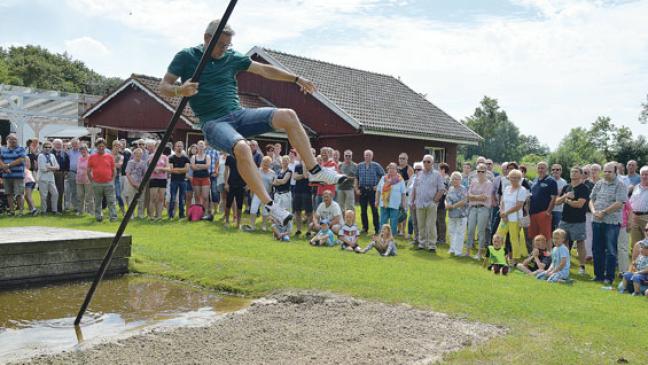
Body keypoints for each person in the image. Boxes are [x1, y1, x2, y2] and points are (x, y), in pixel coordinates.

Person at [160, 19, 346, 227]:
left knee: (289, 115)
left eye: (227, 45)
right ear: (207, 39)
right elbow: (164, 86)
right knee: (242, 148)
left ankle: (315, 170)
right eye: (221, 44)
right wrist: (179, 90)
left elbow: (264, 70)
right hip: (213, 123)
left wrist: (296, 79)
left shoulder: (232, 57)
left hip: (239, 115)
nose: (225, 49)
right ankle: (270, 205)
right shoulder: (187, 57)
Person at [589, 162, 627, 286]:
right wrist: (594, 212)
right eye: (605, 171)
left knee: (610, 251)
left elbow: (619, 203)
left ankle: (609, 277)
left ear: (615, 172)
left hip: (611, 222)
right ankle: (598, 275)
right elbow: (591, 199)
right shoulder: (599, 184)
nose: (606, 173)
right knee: (596, 249)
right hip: (596, 221)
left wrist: (604, 212)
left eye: (609, 171)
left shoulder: (620, 185)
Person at [556, 166, 590, 275]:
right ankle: (565, 264)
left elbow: (579, 204)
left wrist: (567, 201)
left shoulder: (584, 188)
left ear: (580, 175)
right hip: (565, 219)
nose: (573, 174)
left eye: (576, 172)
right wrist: (566, 196)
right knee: (564, 242)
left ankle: (582, 267)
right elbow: (557, 201)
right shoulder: (567, 187)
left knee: (580, 243)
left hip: (578, 221)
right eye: (572, 172)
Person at [411, 154, 445, 252]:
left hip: (431, 204)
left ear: (432, 163)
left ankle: (432, 245)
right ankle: (422, 243)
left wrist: (435, 201)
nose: (426, 163)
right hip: (419, 203)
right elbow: (414, 188)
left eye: (428, 161)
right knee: (420, 224)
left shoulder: (437, 174)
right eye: (424, 161)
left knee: (430, 225)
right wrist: (412, 201)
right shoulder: (419, 174)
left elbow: (442, 189)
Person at [496, 169, 529, 263]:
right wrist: (502, 213)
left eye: (516, 178)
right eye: (512, 177)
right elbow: (502, 201)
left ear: (520, 178)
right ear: (509, 178)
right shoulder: (507, 188)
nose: (513, 179)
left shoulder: (522, 190)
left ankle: (514, 260)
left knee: (513, 239)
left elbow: (519, 206)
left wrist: (506, 213)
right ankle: (498, 257)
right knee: (498, 236)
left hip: (515, 219)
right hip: (504, 218)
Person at [87, 139, 118, 222]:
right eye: (99, 146)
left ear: (105, 146)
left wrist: (113, 180)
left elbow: (114, 170)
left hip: (108, 182)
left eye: (103, 146)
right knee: (97, 201)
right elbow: (88, 171)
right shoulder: (92, 157)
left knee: (111, 201)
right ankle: (98, 216)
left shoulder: (110, 156)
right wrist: (92, 181)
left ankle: (113, 217)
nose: (101, 148)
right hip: (97, 183)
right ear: (96, 147)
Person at [466, 163, 493, 259]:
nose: (480, 173)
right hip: (473, 208)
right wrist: (478, 197)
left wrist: (474, 197)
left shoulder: (489, 183)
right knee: (470, 230)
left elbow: (485, 198)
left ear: (486, 172)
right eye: (478, 171)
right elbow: (468, 195)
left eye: (482, 171)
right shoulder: (473, 181)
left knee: (481, 231)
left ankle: (479, 253)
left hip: (483, 209)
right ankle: (468, 251)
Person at [528, 162, 558, 248]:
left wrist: (548, 212)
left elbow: (553, 198)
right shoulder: (534, 180)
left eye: (543, 168)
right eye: (539, 168)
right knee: (534, 236)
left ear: (547, 170)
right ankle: (536, 255)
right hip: (532, 213)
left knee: (546, 236)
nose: (540, 170)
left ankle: (548, 255)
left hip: (544, 213)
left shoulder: (551, 181)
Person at [355, 149, 384, 234]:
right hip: (362, 190)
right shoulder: (359, 166)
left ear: (372, 156)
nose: (367, 157)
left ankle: (377, 229)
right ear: (364, 156)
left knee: (374, 210)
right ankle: (365, 228)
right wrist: (356, 189)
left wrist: (378, 186)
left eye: (369, 155)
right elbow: (356, 178)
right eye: (366, 155)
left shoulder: (376, 166)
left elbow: (384, 176)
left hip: (373, 191)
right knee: (363, 211)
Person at [375, 162, 406, 237]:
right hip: (384, 203)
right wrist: (376, 200)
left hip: (395, 204)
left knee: (394, 221)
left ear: (396, 170)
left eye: (393, 168)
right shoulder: (383, 178)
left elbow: (403, 193)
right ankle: (382, 236)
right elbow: (378, 190)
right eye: (389, 168)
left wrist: (403, 203)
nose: (391, 170)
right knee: (383, 221)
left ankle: (392, 236)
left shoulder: (400, 180)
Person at [246, 156, 275, 231]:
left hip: (267, 194)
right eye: (264, 162)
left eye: (267, 163)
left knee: (265, 210)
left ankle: (264, 226)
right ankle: (252, 225)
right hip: (258, 193)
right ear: (262, 162)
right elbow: (253, 181)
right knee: (253, 208)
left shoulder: (273, 173)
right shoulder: (258, 171)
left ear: (270, 164)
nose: (265, 164)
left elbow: (274, 184)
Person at [0, 133, 26, 215]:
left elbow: (21, 159)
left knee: (19, 194)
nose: (13, 140)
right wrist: (3, 166)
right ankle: (11, 211)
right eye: (11, 139)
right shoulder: (2, 149)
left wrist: (8, 165)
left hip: (18, 176)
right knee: (9, 194)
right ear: (7, 140)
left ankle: (20, 211)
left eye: (14, 139)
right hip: (6, 176)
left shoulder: (21, 149)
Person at [446, 171, 468, 256]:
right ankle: (452, 248)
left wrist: (453, 206)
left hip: (461, 214)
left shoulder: (463, 189)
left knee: (460, 233)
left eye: (456, 179)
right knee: (451, 231)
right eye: (453, 179)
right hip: (452, 214)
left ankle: (458, 251)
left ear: (460, 180)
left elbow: (464, 201)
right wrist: (447, 205)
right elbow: (447, 198)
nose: (454, 180)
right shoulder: (451, 188)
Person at [147, 141, 169, 221]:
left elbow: (168, 168)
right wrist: (155, 169)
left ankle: (159, 216)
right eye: (158, 146)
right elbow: (150, 167)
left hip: (163, 179)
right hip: (154, 179)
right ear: (155, 147)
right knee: (153, 198)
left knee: (161, 198)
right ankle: (151, 216)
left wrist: (160, 169)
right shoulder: (151, 156)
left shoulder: (165, 157)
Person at [292, 153, 313, 236]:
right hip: (297, 191)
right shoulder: (297, 166)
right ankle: (298, 230)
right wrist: (302, 176)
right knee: (297, 211)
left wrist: (304, 165)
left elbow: (306, 176)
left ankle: (309, 231)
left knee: (308, 212)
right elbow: (294, 177)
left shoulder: (310, 166)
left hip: (307, 191)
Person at [168, 141, 190, 219]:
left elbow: (187, 169)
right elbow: (171, 170)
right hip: (174, 180)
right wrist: (181, 169)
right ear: (175, 147)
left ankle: (181, 215)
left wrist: (176, 169)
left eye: (180, 146)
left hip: (183, 181)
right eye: (178, 146)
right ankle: (170, 215)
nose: (179, 147)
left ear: (183, 147)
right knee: (173, 198)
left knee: (182, 199)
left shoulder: (186, 158)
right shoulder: (171, 158)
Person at [37, 141, 59, 214]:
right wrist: (53, 168)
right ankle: (43, 211)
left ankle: (54, 210)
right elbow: (43, 168)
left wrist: (50, 167)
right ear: (43, 148)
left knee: (55, 194)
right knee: (44, 196)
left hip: (51, 178)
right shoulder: (40, 156)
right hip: (42, 178)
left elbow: (58, 167)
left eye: (49, 147)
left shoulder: (52, 155)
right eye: (46, 147)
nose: (47, 149)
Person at [224, 153, 246, 229]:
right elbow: (226, 171)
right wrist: (226, 183)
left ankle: (238, 223)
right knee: (228, 203)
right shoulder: (229, 157)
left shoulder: (244, 157)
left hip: (241, 184)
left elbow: (248, 171)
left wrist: (248, 184)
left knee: (240, 204)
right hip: (231, 183)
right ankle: (227, 221)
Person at [125, 148, 148, 219]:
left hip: (141, 183)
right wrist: (133, 183)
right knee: (131, 200)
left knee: (141, 200)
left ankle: (140, 215)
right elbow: (128, 174)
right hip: (131, 183)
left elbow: (145, 174)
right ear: (134, 154)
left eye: (140, 154)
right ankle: (130, 215)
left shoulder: (143, 163)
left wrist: (142, 184)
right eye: (137, 154)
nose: (138, 155)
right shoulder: (130, 162)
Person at [190, 140, 211, 218]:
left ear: (204, 147)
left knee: (205, 197)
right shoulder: (193, 157)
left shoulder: (207, 156)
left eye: (202, 146)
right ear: (197, 147)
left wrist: (198, 165)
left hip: (205, 178)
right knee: (197, 196)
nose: (201, 147)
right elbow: (193, 167)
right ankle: (199, 213)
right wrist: (202, 166)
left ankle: (205, 213)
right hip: (196, 178)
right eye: (199, 145)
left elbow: (207, 166)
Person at [629, 166, 648, 245]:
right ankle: (637, 258)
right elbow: (630, 202)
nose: (644, 176)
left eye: (647, 174)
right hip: (634, 217)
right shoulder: (636, 187)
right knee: (636, 243)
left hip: (646, 218)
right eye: (642, 174)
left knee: (647, 243)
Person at [75, 144, 94, 216]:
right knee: (80, 196)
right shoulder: (79, 158)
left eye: (84, 149)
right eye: (81, 149)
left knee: (89, 197)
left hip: (88, 179)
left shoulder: (90, 158)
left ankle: (90, 211)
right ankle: (80, 211)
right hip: (79, 179)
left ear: (87, 150)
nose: (83, 151)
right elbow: (78, 168)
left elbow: (92, 168)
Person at [407, 162, 423, 244]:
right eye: (415, 169)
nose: (417, 171)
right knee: (414, 222)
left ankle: (421, 240)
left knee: (420, 222)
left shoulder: (423, 179)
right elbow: (408, 190)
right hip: (411, 203)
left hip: (420, 204)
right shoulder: (412, 178)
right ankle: (416, 239)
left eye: (419, 169)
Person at [51, 139, 69, 213]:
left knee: (60, 191)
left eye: (60, 144)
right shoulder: (50, 153)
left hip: (61, 174)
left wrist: (65, 172)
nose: (58, 146)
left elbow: (67, 164)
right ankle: (50, 208)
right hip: (51, 173)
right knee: (51, 191)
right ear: (53, 145)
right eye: (57, 144)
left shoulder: (64, 154)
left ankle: (59, 208)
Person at [550, 164, 568, 231]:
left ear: (561, 171)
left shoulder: (564, 182)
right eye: (553, 169)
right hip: (548, 210)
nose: (555, 171)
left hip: (559, 210)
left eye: (557, 169)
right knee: (548, 231)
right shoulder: (548, 180)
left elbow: (564, 196)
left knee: (558, 231)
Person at [436, 163, 450, 245]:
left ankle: (442, 239)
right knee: (436, 221)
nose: (438, 171)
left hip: (442, 203)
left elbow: (447, 191)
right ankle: (437, 237)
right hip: (436, 203)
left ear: (443, 170)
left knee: (441, 221)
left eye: (439, 169)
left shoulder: (448, 179)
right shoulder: (439, 178)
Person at [111, 140, 126, 215]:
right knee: (109, 196)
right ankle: (112, 212)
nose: (117, 148)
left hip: (117, 177)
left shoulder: (121, 156)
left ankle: (123, 210)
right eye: (115, 146)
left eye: (118, 146)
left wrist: (110, 164)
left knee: (118, 195)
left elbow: (119, 165)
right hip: (108, 177)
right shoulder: (108, 155)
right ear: (112, 146)